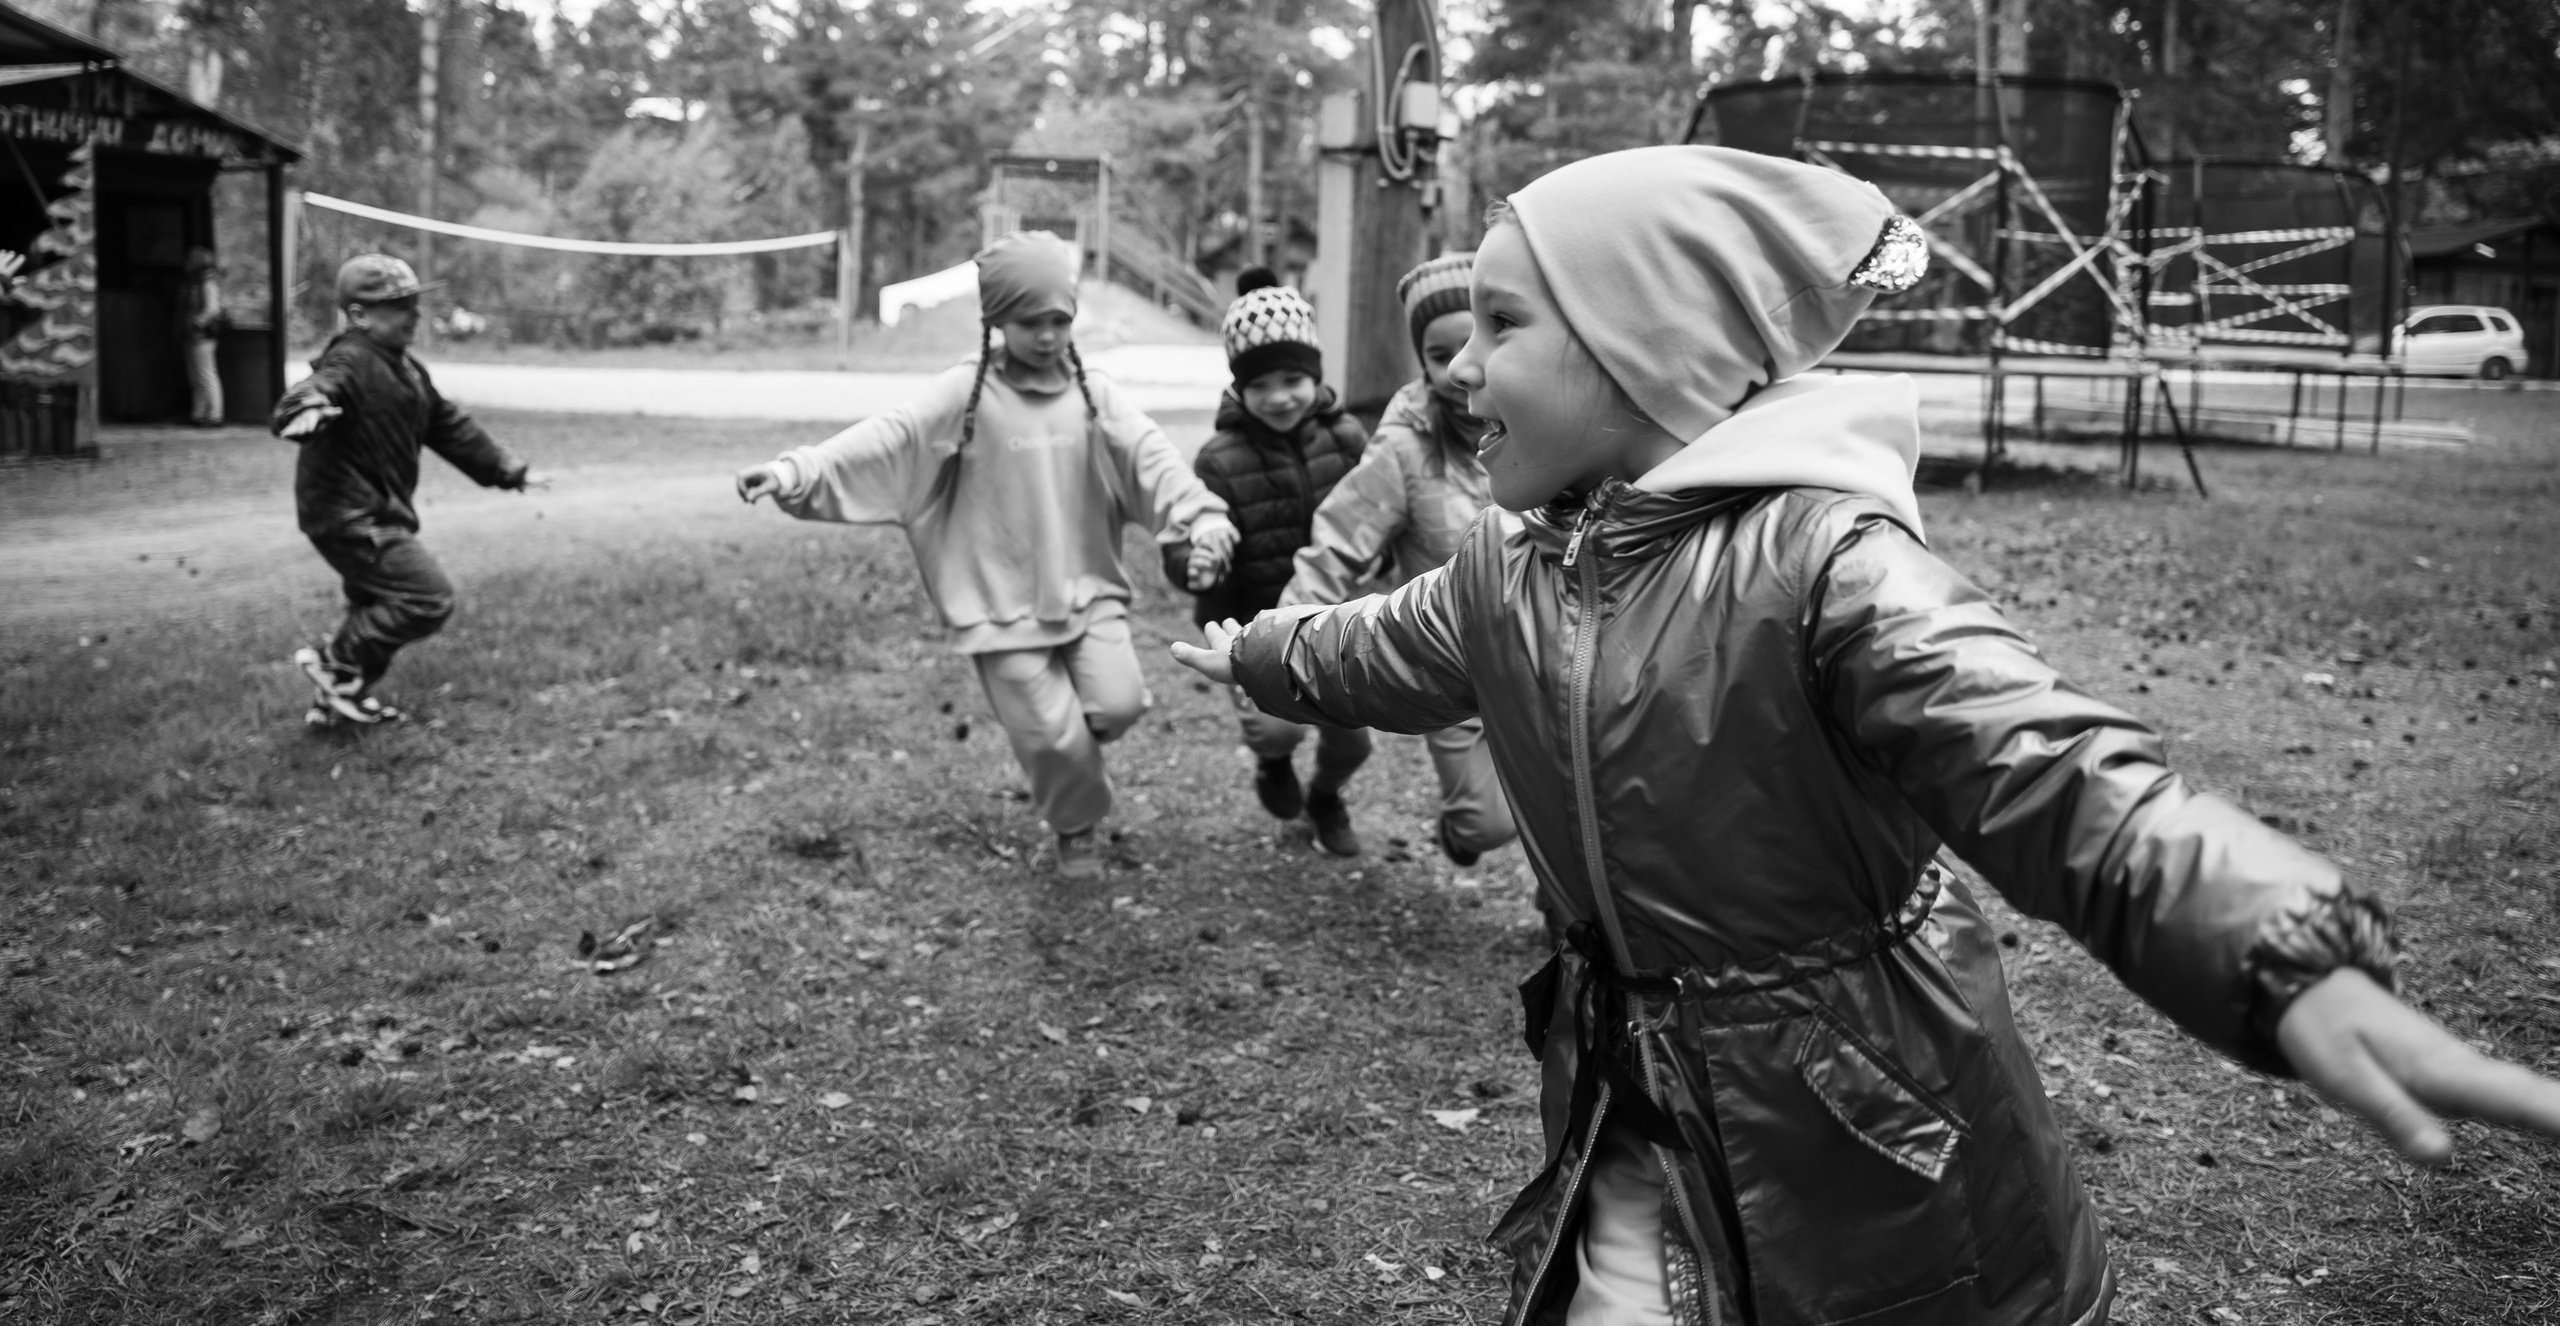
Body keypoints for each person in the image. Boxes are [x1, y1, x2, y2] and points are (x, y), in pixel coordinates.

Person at [1170, 146, 2560, 1326]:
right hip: (1620, 1067)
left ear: (1644, 346)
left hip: (1855, 1086)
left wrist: (2280, 952)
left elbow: (2057, 772)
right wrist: (1256, 647)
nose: (1458, 365)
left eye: (1505, 325)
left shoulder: (1822, 560)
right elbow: (1379, 643)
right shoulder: (1507, 566)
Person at [735, 232, 1238, 883]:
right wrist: (792, 471)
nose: (1050, 336)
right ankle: (1075, 825)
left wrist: (1201, 522)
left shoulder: (1095, 397)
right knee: (1053, 737)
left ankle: (1066, 764)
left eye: (1061, 320)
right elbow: (886, 440)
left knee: (1118, 705)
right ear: (997, 321)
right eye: (1032, 322)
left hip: (1087, 591)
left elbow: (1155, 460)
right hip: (996, 605)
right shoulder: (963, 396)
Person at [1279, 251, 1517, 868]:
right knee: (1481, 827)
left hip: (1546, 655)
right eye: (1440, 356)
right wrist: (1280, 640)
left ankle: (1566, 910)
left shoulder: (1544, 420)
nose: (1463, 366)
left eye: (1478, 341)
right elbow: (1340, 537)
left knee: (1574, 795)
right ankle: (1464, 830)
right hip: (1455, 665)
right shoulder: (1405, 447)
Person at [274, 254, 542, 727]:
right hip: (349, 516)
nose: (414, 315)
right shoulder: (352, 358)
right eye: (399, 306)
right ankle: (335, 663)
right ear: (359, 316)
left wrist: (508, 469)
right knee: (426, 597)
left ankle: (337, 703)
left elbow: (449, 426)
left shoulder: (406, 369)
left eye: (415, 304)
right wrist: (306, 406)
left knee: (375, 605)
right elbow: (320, 385)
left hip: (376, 510)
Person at [1163, 269, 1371, 856]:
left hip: (1338, 619)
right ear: (1238, 389)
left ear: (1315, 374)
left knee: (1352, 743)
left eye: (1293, 379)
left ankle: (1326, 795)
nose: (1279, 397)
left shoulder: (1348, 437)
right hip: (1251, 624)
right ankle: (1273, 761)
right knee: (1276, 725)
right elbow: (1186, 534)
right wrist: (1195, 564)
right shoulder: (1220, 458)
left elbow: (1376, 511)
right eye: (1261, 386)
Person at [183, 246, 225, 426]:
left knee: (206, 374)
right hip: (191, 335)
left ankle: (215, 414)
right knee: (195, 377)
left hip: (203, 336)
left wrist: (197, 322)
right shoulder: (194, 281)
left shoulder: (207, 282)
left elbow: (212, 309)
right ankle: (199, 413)